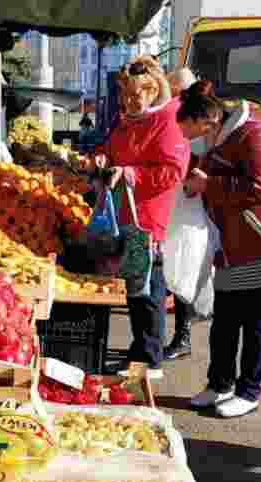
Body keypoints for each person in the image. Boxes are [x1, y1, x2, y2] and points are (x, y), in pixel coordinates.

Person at [176, 81, 261, 418]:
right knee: (224, 322)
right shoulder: (218, 138)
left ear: (209, 119)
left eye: (190, 130)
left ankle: (249, 391)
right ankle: (219, 384)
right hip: (235, 243)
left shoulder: (255, 134)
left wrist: (209, 184)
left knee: (257, 324)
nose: (189, 140)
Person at [82, 56, 190, 370]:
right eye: (125, 95)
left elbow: (173, 171)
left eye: (136, 95)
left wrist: (131, 174)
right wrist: (100, 158)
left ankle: (149, 358)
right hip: (125, 213)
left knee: (148, 286)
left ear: (154, 90)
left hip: (147, 217)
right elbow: (111, 147)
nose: (130, 101)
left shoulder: (168, 121)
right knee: (135, 285)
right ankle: (140, 347)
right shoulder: (129, 118)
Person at [163, 67, 212, 361]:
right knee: (185, 266)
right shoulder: (197, 121)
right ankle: (183, 331)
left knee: (182, 267)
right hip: (186, 202)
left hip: (187, 203)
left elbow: (194, 163)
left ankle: (182, 335)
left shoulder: (193, 124)